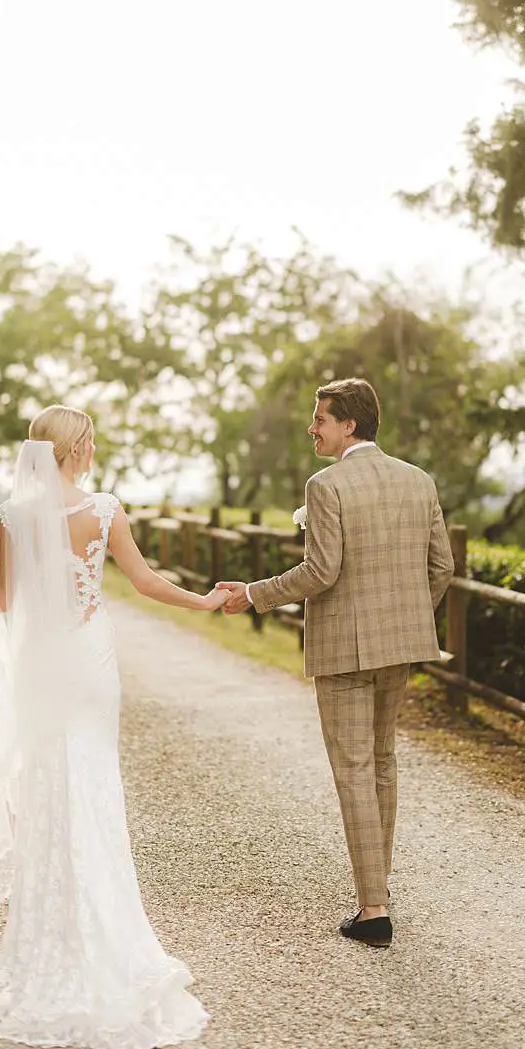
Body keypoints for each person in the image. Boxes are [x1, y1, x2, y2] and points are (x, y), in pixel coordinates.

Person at [0, 404, 225, 1049]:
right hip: (88, 665)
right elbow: (142, 581)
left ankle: (47, 947)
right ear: (76, 448)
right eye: (91, 438)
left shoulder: (12, 515)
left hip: (40, 669)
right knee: (92, 790)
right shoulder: (104, 509)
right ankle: (104, 935)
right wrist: (204, 599)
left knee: (51, 792)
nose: (96, 445)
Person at [215, 377, 453, 948]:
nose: (311, 428)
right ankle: (379, 887)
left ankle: (373, 909)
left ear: (349, 424)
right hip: (400, 645)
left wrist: (252, 593)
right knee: (381, 762)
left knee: (353, 769)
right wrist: (407, 614)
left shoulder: (326, 485)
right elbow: (441, 567)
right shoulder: (418, 481)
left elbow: (321, 572)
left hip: (346, 648)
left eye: (319, 418)